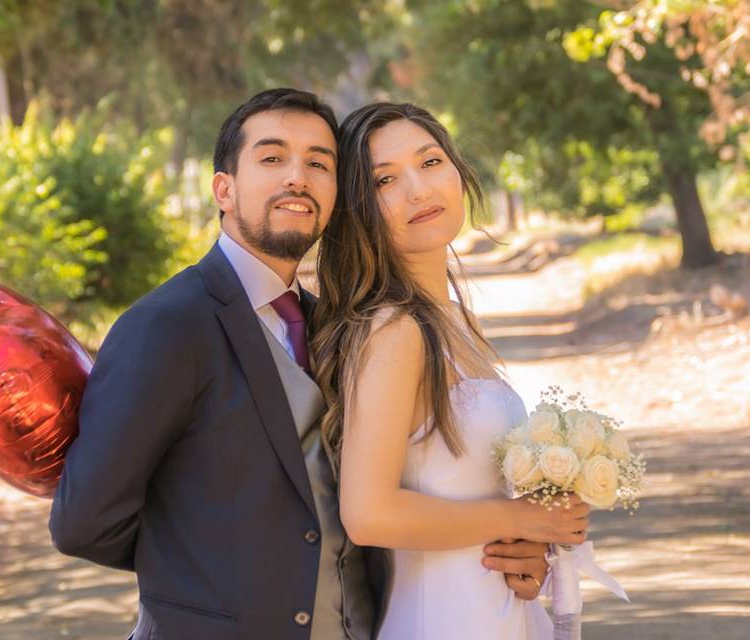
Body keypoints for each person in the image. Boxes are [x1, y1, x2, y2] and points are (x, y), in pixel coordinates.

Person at [49, 89, 548, 640]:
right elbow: (83, 523)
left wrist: (505, 550)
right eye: (272, 158)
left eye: (318, 162)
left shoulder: (334, 324)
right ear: (224, 189)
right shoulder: (167, 325)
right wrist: (216, 583)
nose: (298, 177)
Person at [310, 102, 590, 639]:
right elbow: (369, 514)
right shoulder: (394, 329)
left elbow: (465, 492)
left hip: (497, 610)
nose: (418, 190)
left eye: (431, 162)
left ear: (458, 171)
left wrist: (528, 550)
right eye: (385, 179)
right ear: (357, 208)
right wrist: (522, 521)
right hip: (440, 619)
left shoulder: (453, 319)